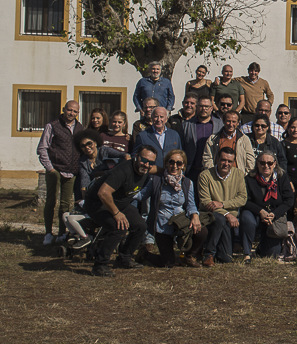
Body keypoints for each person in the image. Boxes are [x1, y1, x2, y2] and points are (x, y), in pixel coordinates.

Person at [84, 146, 157, 276]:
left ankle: (124, 258)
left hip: (119, 202)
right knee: (118, 227)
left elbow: (159, 169)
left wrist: (174, 168)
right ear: (136, 157)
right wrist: (116, 213)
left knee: (140, 226)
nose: (146, 165)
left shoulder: (147, 169)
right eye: (144, 160)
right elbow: (103, 193)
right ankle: (100, 265)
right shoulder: (122, 171)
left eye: (151, 162)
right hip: (98, 203)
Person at [141, 149, 208, 268]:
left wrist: (195, 216)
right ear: (166, 163)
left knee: (202, 231)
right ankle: (145, 254)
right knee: (168, 264)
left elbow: (191, 204)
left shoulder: (187, 183)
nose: (174, 166)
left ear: (183, 166)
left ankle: (188, 256)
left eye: (179, 163)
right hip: (162, 225)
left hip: (180, 222)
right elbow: (141, 195)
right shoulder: (156, 181)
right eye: (171, 162)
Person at [37, 99, 83, 244]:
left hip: (71, 172)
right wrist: (50, 168)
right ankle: (48, 233)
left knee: (65, 205)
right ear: (64, 109)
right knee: (51, 202)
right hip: (55, 170)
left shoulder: (80, 128)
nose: (72, 113)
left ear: (78, 113)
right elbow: (42, 148)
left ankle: (62, 233)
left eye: (75, 111)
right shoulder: (53, 125)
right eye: (69, 110)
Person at [238, 151, 295, 262]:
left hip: (274, 216)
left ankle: (261, 247)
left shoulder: (282, 177)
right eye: (262, 163)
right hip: (255, 214)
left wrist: (274, 214)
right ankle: (247, 253)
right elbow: (245, 200)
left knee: (270, 255)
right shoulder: (249, 179)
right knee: (246, 218)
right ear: (257, 163)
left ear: (275, 164)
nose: (266, 166)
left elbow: (289, 200)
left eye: (269, 163)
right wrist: (260, 211)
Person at [197, 148, 247, 266]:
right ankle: (209, 254)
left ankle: (214, 249)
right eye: (223, 160)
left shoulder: (238, 174)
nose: (226, 164)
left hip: (229, 220)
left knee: (226, 258)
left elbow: (243, 198)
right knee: (218, 218)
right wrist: (227, 214)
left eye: (230, 161)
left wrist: (223, 204)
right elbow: (205, 202)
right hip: (211, 216)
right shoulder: (205, 175)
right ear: (217, 159)